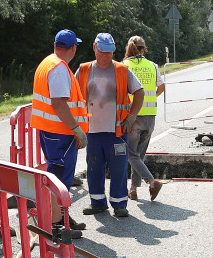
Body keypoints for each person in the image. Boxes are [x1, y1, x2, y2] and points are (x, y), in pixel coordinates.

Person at [76, 33, 144, 218]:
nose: (106, 55)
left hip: (117, 130)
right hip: (92, 130)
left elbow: (139, 92)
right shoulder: (83, 70)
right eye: (103, 52)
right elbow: (73, 97)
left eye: (110, 52)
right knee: (94, 167)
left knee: (119, 169)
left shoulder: (122, 70)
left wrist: (131, 117)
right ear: (94, 48)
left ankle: (119, 204)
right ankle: (97, 202)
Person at [31, 29, 88, 231]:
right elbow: (59, 103)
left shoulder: (47, 62)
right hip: (60, 132)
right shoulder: (59, 69)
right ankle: (56, 224)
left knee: (56, 175)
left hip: (51, 131)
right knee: (59, 178)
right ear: (73, 48)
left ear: (56, 45)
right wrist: (77, 129)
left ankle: (61, 218)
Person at [123, 35, 165, 201]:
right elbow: (161, 87)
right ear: (144, 49)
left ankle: (152, 182)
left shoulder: (124, 65)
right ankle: (133, 190)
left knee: (131, 155)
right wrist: (150, 97)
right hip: (150, 117)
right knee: (138, 156)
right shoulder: (152, 65)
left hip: (133, 115)